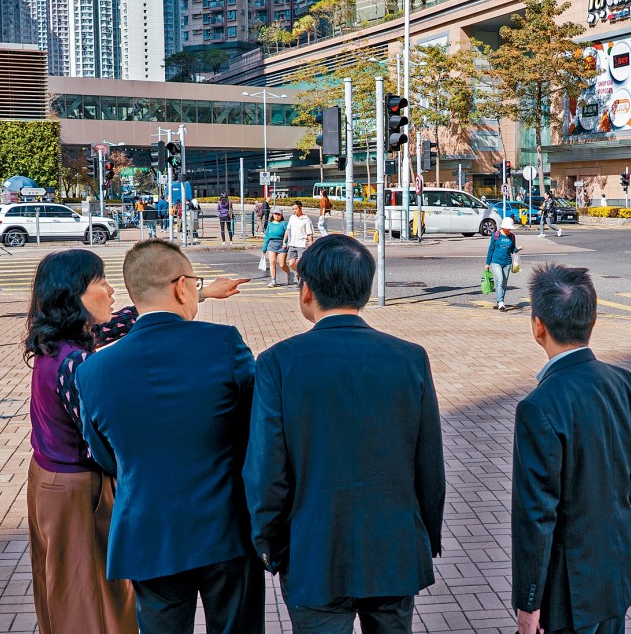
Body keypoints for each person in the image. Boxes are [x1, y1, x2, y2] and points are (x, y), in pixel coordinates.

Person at [244, 235, 445, 634]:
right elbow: (429, 463)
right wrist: (426, 534)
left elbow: (267, 469)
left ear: (306, 291)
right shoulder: (410, 357)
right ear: (366, 291)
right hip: (393, 549)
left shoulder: (278, 363)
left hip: (313, 551)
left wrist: (270, 544)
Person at [75, 240, 264, 634]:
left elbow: (105, 456)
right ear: (181, 286)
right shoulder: (223, 343)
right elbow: (256, 428)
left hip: (147, 531)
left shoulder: (94, 370)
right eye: (195, 284)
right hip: (225, 529)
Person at [512, 264, 631, 634]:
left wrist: (529, 602)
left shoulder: (539, 406)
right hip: (615, 574)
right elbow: (625, 477)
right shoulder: (622, 382)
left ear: (538, 327)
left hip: (569, 593)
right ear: (593, 319)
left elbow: (537, 515)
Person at [23, 250, 139, 634]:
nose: (110, 291)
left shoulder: (57, 342)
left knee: (59, 582)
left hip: (48, 478)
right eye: (100, 282)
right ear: (72, 295)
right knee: (88, 592)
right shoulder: (75, 364)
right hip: (77, 489)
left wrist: (193, 295)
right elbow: (99, 442)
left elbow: (115, 325)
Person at [486, 217, 521, 312]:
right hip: (496, 262)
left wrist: (518, 249)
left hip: (507, 262)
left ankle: (499, 302)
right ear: (503, 227)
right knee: (499, 281)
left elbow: (512, 249)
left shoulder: (512, 237)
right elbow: (491, 249)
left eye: (509, 228)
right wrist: (487, 263)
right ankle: (501, 302)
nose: (508, 229)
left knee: (504, 284)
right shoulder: (496, 235)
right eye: (507, 227)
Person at [282, 200, 315, 285]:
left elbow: (309, 233)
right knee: (291, 263)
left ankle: (303, 278)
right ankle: (300, 274)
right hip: (292, 244)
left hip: (302, 244)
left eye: (296, 209)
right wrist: (284, 241)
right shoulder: (292, 218)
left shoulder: (306, 219)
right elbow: (288, 230)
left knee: (300, 263)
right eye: (293, 209)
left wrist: (311, 244)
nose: (294, 211)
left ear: (300, 208)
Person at [262, 207, 290, 287]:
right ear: (273, 215)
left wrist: (286, 243)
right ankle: (273, 280)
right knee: (272, 263)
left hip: (282, 245)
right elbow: (267, 236)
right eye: (275, 214)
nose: (277, 216)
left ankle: (289, 273)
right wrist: (264, 247)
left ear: (281, 215)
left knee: (282, 264)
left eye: (279, 214)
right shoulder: (270, 225)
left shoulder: (284, 224)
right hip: (271, 245)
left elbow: (287, 235)